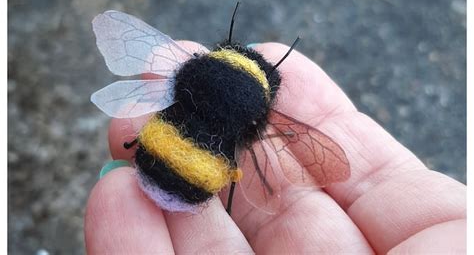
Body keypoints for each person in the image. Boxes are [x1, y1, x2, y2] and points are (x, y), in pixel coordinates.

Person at [84, 42, 466, 254]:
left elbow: (167, 98)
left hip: (155, 158)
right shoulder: (265, 119)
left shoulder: (191, 70)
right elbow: (248, 148)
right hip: (193, 182)